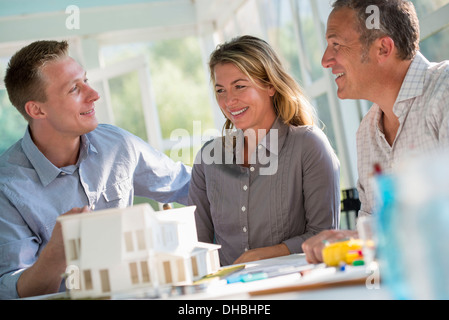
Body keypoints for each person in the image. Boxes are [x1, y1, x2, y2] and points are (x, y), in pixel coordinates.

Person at [0, 40, 191, 299]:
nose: (94, 94)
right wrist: (57, 252)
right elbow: (15, 291)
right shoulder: (7, 187)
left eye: (86, 80)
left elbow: (190, 186)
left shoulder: (117, 144)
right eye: (74, 89)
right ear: (37, 109)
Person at [302, 0, 449, 264]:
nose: (325, 60)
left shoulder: (445, 92)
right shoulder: (366, 132)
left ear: (383, 48)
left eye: (336, 44)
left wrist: (363, 240)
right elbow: (372, 232)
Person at [188, 35, 341, 267]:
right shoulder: (207, 160)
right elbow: (197, 245)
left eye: (240, 86)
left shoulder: (308, 146)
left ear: (270, 85)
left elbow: (325, 236)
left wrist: (265, 254)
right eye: (221, 90)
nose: (229, 101)